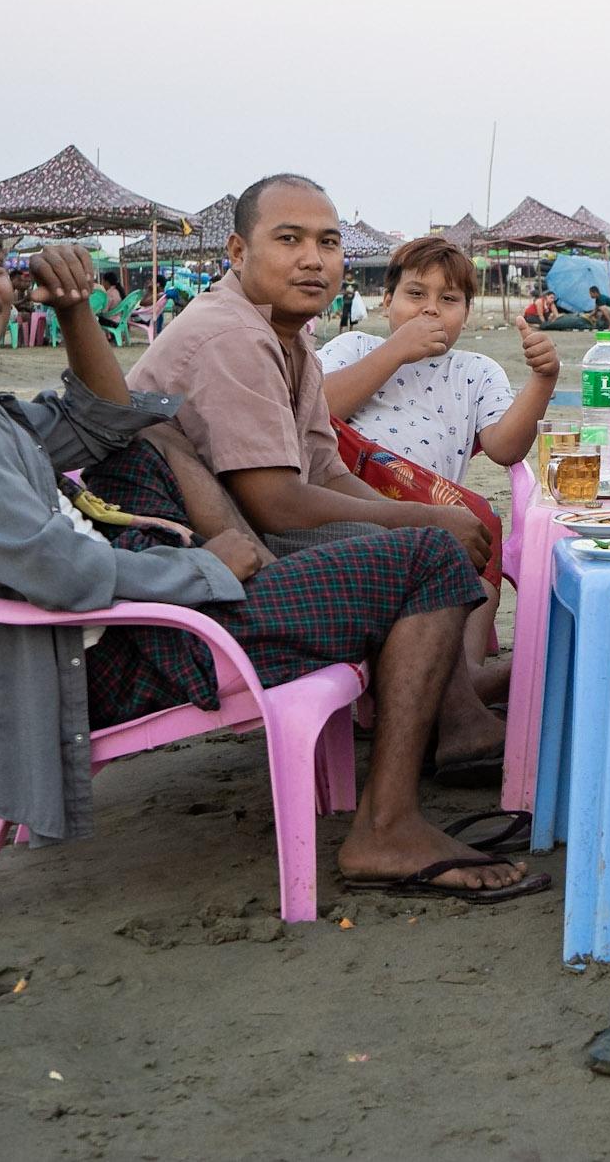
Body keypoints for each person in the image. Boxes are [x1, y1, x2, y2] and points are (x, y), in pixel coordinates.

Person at [0, 159, 541, 899]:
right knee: (426, 555)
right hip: (125, 653)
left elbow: (103, 422)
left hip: (145, 616)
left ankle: (450, 721)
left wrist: (76, 311)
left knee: (177, 445)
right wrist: (212, 564)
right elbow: (57, 570)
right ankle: (387, 825)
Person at [124, 173, 505, 783]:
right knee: (424, 551)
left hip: (238, 534)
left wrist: (421, 521)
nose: (312, 259)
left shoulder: (285, 335)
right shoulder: (235, 337)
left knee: (424, 542)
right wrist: (423, 518)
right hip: (202, 575)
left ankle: (456, 718)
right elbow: (275, 504)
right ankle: (417, 774)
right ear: (239, 253)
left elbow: (323, 467)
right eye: (289, 239)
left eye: (328, 243)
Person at [318, 234, 558, 689]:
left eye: (448, 299)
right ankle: (459, 692)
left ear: (466, 313)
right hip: (355, 504)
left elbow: (505, 447)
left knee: (479, 525)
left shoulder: (476, 370)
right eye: (415, 294)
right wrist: (397, 350)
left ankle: (464, 676)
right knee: (470, 518)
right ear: (386, 299)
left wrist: (542, 382)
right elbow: (316, 407)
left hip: (439, 515)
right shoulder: (354, 347)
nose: (430, 309)